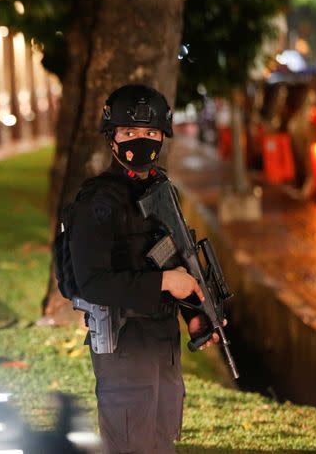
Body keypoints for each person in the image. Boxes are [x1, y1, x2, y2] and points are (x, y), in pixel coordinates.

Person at [68, 84, 221, 454]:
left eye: (150, 133)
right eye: (129, 132)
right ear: (112, 139)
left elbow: (177, 258)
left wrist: (197, 314)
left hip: (162, 340)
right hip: (123, 343)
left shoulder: (162, 189)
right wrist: (165, 281)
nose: (141, 141)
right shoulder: (97, 202)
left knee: (160, 442)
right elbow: (92, 282)